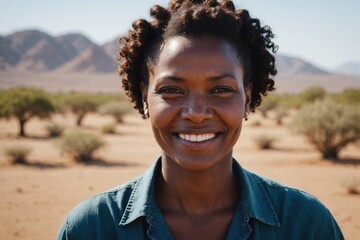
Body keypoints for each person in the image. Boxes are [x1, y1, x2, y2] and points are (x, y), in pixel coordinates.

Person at [57, 0, 344, 239]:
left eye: (220, 90)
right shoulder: (91, 228)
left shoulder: (306, 224)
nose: (196, 112)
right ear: (145, 98)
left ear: (247, 96)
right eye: (171, 90)